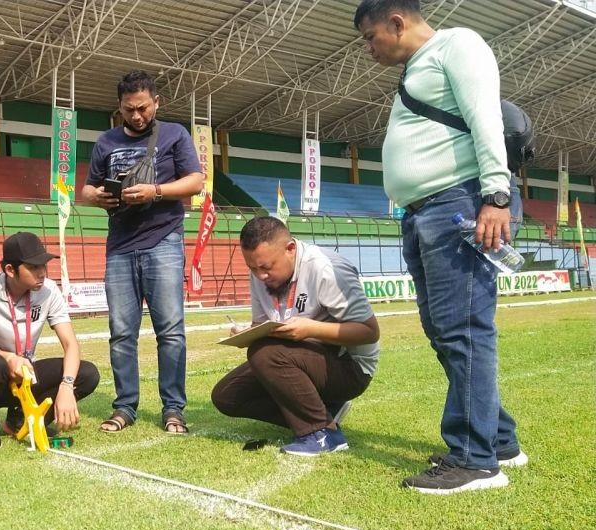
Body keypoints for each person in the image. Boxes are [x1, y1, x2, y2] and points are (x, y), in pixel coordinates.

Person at [355, 0, 527, 494]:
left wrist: (495, 195)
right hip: (425, 211)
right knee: (444, 330)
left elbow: (485, 120)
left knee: (464, 330)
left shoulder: (458, 45)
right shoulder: (419, 68)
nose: (369, 49)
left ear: (396, 22)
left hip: (459, 203)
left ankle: (475, 462)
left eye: (370, 37)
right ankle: (499, 441)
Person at [81, 70, 205, 435]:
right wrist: (98, 196)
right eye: (128, 110)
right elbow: (86, 190)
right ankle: (124, 407)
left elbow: (196, 181)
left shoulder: (175, 134)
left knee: (171, 331)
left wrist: (156, 191)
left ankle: (173, 409)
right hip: (119, 245)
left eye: (142, 108)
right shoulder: (106, 141)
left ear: (156, 103)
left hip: (164, 240)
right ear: (119, 107)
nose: (136, 116)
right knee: (121, 333)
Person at [211, 217, 380, 455]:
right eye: (252, 268)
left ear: (290, 249)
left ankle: (322, 433)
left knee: (265, 353)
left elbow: (369, 332)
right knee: (227, 396)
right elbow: (263, 323)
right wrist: (247, 333)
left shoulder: (326, 269)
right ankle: (325, 411)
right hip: (298, 357)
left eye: (266, 267)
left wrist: (310, 329)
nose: (260, 276)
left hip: (350, 368)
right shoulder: (260, 272)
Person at [0, 232, 100, 448]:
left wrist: (67, 387)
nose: (42, 273)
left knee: (87, 374)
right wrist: (8, 357)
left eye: (44, 265)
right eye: (33, 267)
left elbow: (71, 345)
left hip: (26, 377)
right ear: (10, 270)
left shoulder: (49, 290)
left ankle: (20, 420)